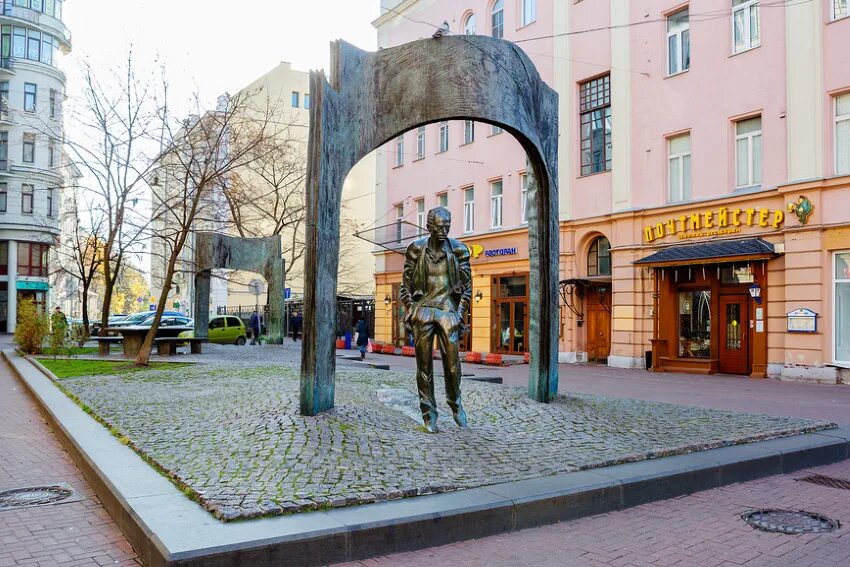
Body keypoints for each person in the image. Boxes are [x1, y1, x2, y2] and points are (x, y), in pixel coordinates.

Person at [400, 206, 472, 433]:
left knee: (452, 366)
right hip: (423, 311)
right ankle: (429, 413)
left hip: (448, 311)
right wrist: (411, 309)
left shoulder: (459, 250)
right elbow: (406, 286)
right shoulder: (416, 249)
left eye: (447, 226)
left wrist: (459, 315)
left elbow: (467, 288)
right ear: (429, 226)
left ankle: (455, 404)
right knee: (424, 366)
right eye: (440, 226)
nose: (444, 230)